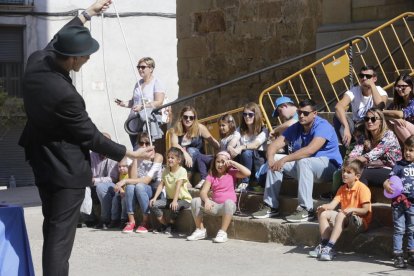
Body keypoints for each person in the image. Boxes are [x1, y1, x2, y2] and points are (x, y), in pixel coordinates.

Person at [18, 1, 154, 274]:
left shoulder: (37, 61)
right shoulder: (66, 96)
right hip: (64, 171)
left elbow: (60, 38)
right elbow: (91, 136)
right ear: (71, 59)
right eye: (85, 55)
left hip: (40, 159)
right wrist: (130, 153)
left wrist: (88, 13)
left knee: (52, 226)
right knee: (60, 239)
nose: (88, 59)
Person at [252, 99, 342, 222]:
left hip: (328, 167)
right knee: (276, 160)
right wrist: (271, 159)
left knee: (302, 161)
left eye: (305, 113)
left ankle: (306, 209)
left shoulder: (323, 125)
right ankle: (271, 206)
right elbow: (274, 145)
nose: (301, 115)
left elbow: (310, 150)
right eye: (299, 112)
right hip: (305, 167)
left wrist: (285, 159)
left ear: (314, 113)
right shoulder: (296, 127)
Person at [309, 159, 372, 261]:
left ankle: (330, 247)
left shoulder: (363, 188)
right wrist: (324, 207)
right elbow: (332, 205)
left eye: (348, 172)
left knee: (341, 214)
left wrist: (351, 209)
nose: (344, 174)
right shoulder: (342, 188)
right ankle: (324, 244)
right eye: (343, 171)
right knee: (323, 213)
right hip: (345, 218)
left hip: (360, 222)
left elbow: (365, 211)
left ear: (357, 176)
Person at [187, 151, 250, 243]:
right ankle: (200, 230)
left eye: (223, 162)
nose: (220, 164)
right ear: (214, 162)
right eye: (218, 161)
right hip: (214, 206)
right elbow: (203, 192)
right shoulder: (211, 176)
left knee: (228, 202)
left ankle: (222, 232)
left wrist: (233, 163)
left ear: (227, 163)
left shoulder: (232, 173)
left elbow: (247, 173)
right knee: (195, 201)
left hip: (227, 207)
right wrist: (207, 200)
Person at [115, 132, 163, 233]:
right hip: (139, 190)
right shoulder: (137, 157)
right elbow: (133, 178)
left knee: (139, 186)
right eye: (141, 143)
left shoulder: (158, 157)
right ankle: (131, 221)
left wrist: (124, 180)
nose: (144, 146)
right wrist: (136, 158)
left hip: (154, 190)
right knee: (129, 187)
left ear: (152, 144)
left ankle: (146, 221)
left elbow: (146, 180)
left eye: (147, 143)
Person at [115, 57, 165, 148]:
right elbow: (134, 102)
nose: (140, 69)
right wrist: (124, 103)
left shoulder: (156, 82)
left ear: (151, 68)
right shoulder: (138, 83)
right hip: (133, 122)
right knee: (136, 149)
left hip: (146, 122)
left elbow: (159, 102)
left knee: (141, 149)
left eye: (143, 67)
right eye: (138, 67)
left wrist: (142, 107)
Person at [347, 108, 402, 189]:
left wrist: (357, 159)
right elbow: (356, 151)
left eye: (373, 119)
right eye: (366, 119)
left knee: (361, 173)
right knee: (349, 172)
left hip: (392, 170)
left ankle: (361, 199)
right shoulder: (364, 136)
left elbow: (375, 153)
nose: (369, 121)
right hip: (373, 168)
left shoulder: (389, 135)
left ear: (381, 122)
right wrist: (351, 159)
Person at [334, 65, 388, 147]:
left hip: (371, 123)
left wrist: (372, 85)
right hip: (356, 125)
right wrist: (346, 127)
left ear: (374, 79)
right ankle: (347, 146)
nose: (364, 78)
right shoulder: (354, 91)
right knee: (337, 117)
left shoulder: (380, 91)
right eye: (361, 76)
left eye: (368, 76)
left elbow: (380, 106)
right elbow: (338, 107)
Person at [383, 135, 414, 268]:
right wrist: (386, 184)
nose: (407, 152)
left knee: (412, 229)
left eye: (411, 150)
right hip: (399, 203)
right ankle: (398, 255)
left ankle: (412, 254)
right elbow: (389, 180)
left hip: (413, 203)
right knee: (399, 229)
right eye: (406, 149)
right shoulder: (398, 165)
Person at [170, 106, 220, 183]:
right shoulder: (176, 129)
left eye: (191, 118)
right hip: (183, 160)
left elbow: (214, 143)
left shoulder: (200, 128)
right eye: (185, 117)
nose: (188, 119)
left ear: (194, 119)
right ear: (181, 117)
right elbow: (174, 144)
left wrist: (220, 156)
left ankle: (188, 179)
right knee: (174, 153)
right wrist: (185, 154)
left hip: (197, 161)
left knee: (191, 150)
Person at [149, 147, 192, 234]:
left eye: (172, 158)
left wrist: (175, 201)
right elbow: (161, 185)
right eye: (168, 157)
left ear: (179, 160)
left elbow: (178, 186)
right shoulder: (166, 170)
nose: (169, 159)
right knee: (153, 205)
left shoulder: (182, 171)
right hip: (171, 199)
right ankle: (166, 225)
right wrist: (154, 198)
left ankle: (171, 225)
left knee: (176, 206)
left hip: (184, 200)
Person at [194, 113, 240, 189]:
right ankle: (204, 178)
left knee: (219, 162)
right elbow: (217, 151)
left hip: (229, 161)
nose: (221, 128)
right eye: (220, 126)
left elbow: (232, 144)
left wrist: (229, 146)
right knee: (200, 157)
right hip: (218, 159)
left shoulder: (235, 134)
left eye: (223, 125)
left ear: (230, 125)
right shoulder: (222, 138)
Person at [231, 102, 268, 191]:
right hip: (244, 160)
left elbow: (255, 144)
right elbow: (234, 140)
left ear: (256, 115)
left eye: (250, 114)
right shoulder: (240, 129)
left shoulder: (264, 130)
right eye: (245, 114)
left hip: (258, 160)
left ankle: (245, 182)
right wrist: (230, 147)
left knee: (247, 152)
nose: (247, 117)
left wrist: (241, 147)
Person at [90, 133, 122, 229]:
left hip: (111, 184)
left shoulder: (114, 155)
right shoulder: (92, 155)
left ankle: (105, 219)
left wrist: (95, 180)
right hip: (92, 184)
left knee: (101, 187)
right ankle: (89, 220)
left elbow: (113, 178)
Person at [383, 74, 414, 143]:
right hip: (405, 134)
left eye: (403, 86)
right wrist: (392, 119)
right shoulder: (397, 103)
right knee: (387, 122)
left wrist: (382, 111)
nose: (400, 89)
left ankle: (410, 147)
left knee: (399, 124)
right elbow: (383, 116)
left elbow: (401, 114)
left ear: (411, 87)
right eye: (398, 86)